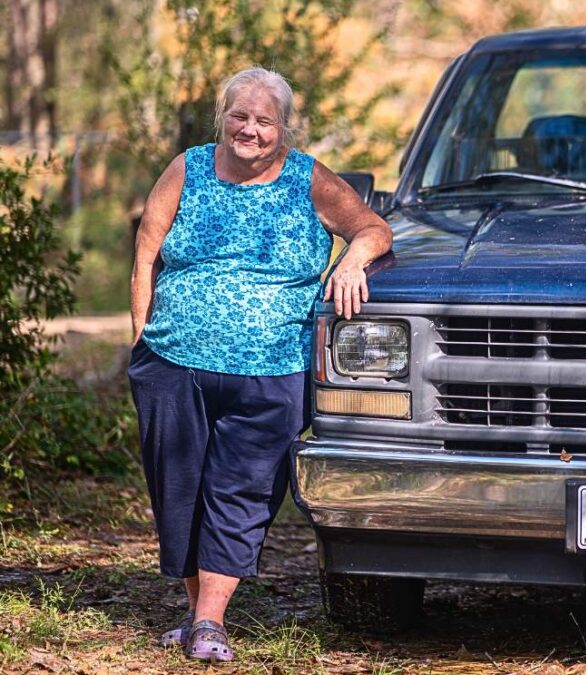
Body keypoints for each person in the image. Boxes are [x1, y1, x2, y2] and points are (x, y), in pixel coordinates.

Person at [127, 67, 392, 663]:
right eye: (239, 116)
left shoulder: (309, 179)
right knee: (180, 489)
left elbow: (374, 228)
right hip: (173, 361)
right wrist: (141, 340)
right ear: (221, 116)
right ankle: (199, 617)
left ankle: (209, 621)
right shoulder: (187, 168)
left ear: (283, 128)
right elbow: (146, 250)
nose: (249, 129)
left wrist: (352, 263)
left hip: (272, 367)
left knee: (243, 491)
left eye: (263, 120)